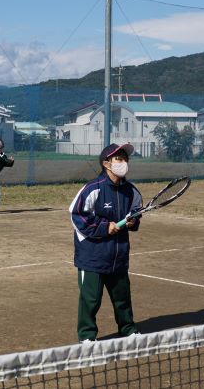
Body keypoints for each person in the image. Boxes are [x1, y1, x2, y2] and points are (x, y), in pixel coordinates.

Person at [68, 143, 143, 342]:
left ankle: (128, 329)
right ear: (106, 163)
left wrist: (133, 221)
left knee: (122, 298)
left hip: (118, 256)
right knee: (90, 299)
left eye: (125, 158)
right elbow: (77, 215)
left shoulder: (131, 191)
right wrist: (104, 227)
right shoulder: (92, 189)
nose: (123, 162)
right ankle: (87, 336)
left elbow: (135, 214)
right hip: (92, 257)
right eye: (118, 158)